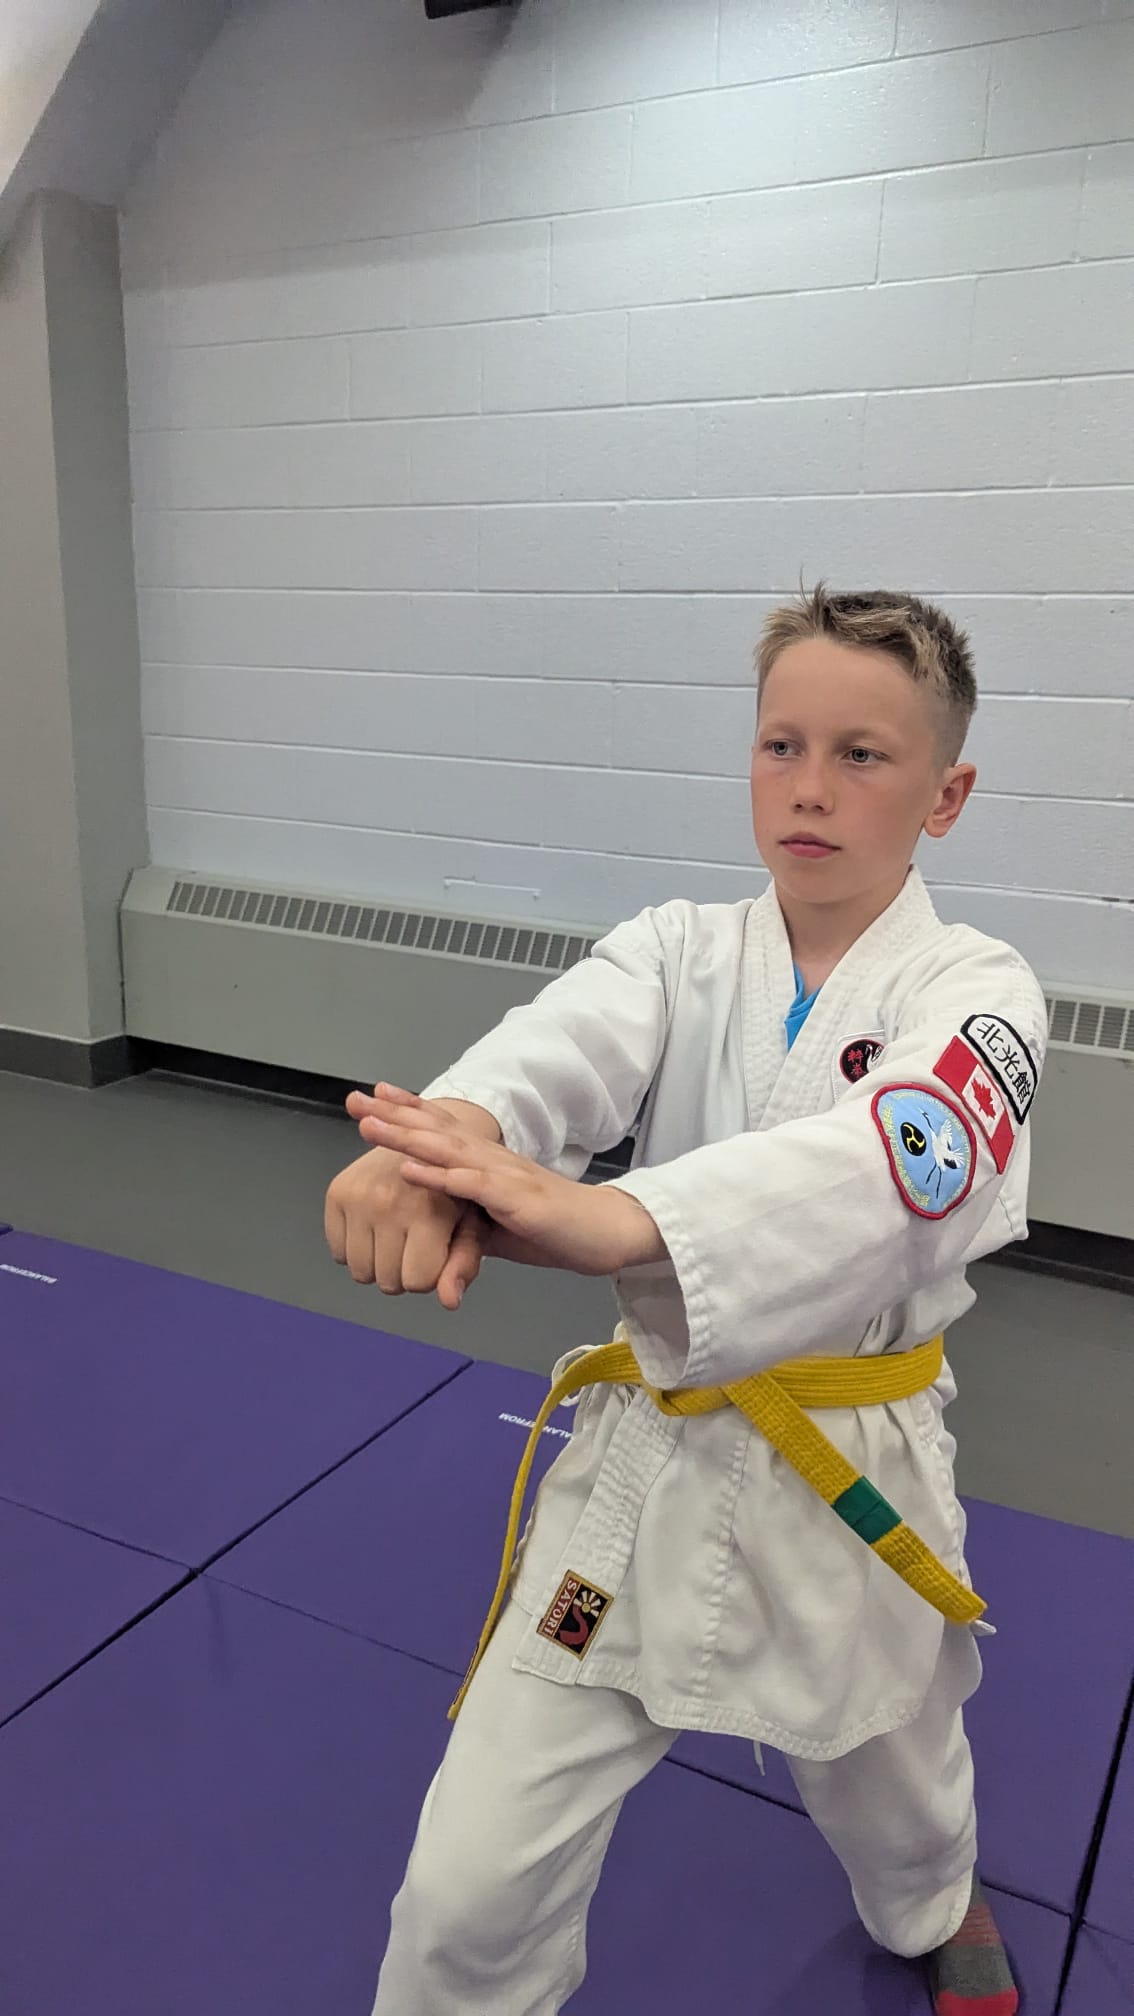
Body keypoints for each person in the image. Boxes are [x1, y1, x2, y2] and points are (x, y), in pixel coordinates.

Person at [326, 585, 1045, 2016]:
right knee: (469, 1884)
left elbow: (898, 1167)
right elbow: (555, 1051)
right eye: (782, 746)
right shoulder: (677, 949)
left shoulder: (980, 994)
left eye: (861, 755)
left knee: (897, 1773)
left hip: (851, 1486)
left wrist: (622, 1221)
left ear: (946, 795)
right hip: (641, 1476)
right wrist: (447, 1142)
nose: (809, 788)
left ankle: (929, 1897)